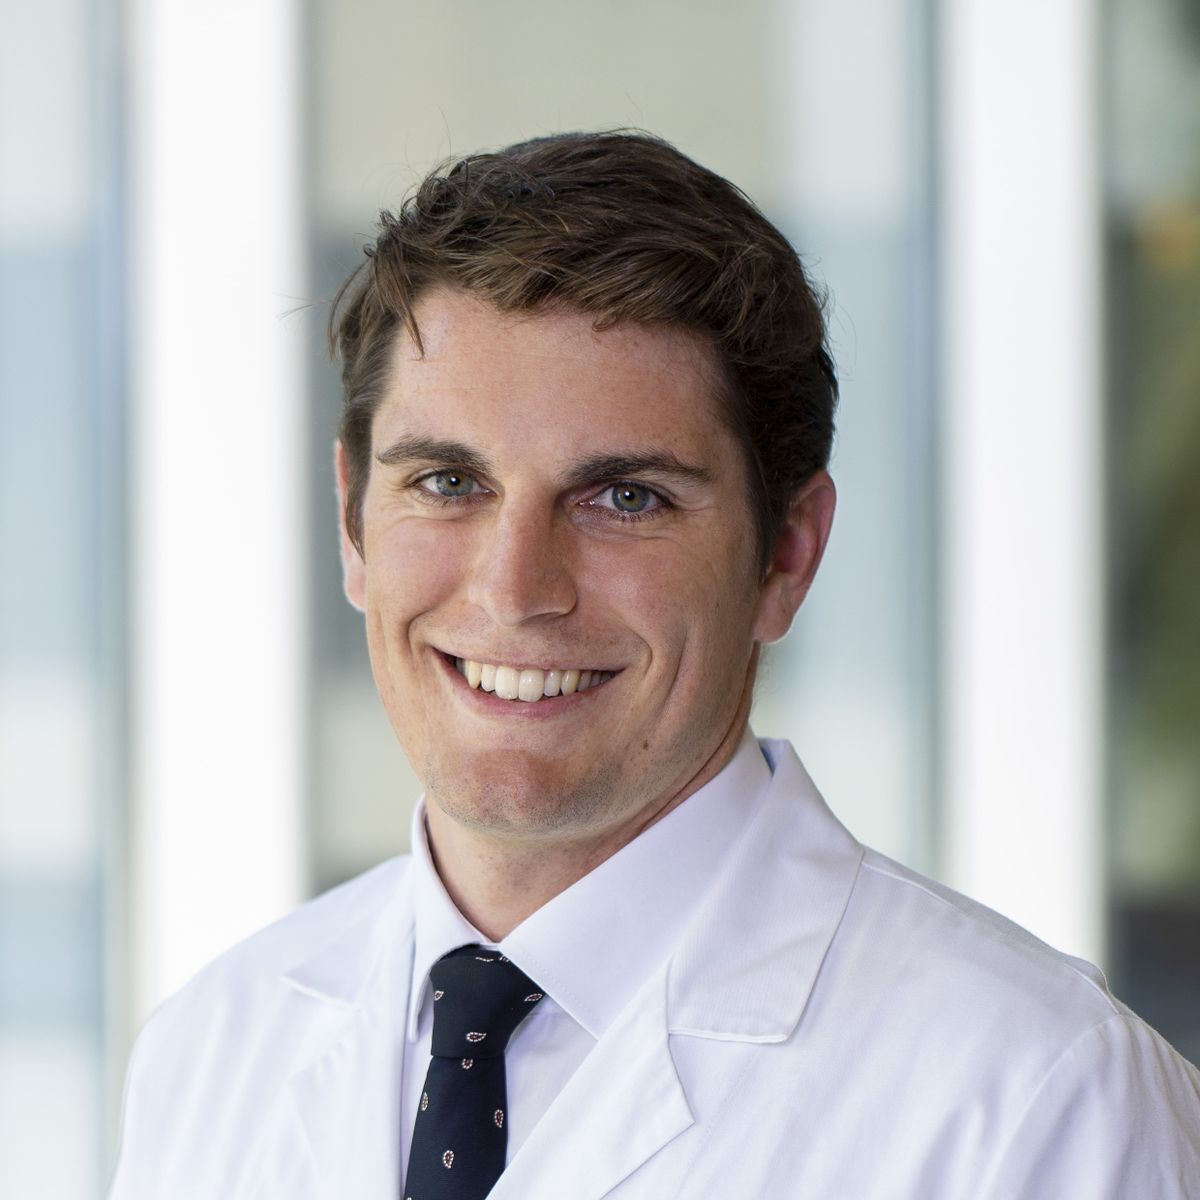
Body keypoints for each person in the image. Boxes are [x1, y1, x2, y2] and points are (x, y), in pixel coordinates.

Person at [109, 131, 1200, 1199]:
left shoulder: (1041, 1103)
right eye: (447, 483)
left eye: (625, 498)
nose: (513, 588)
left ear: (786, 554)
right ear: (353, 521)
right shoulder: (211, 1054)